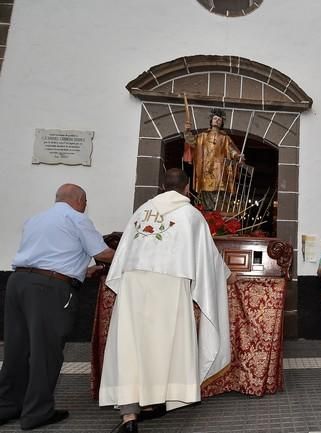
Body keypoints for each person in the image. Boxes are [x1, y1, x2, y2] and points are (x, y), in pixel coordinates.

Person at [99, 169, 234, 433]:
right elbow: (208, 259)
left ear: (163, 186)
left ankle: (130, 415)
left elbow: (122, 254)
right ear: (187, 188)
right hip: (170, 285)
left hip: (133, 285)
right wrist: (228, 277)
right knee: (165, 345)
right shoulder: (191, 215)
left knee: (131, 345)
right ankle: (155, 399)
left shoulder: (141, 213)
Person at [0, 184, 114, 430]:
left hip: (18, 283)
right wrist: (131, 254)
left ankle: (7, 406)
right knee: (46, 351)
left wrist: (82, 271)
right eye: (85, 202)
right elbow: (102, 253)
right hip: (49, 291)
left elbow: (48, 257)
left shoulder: (35, 219)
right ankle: (37, 412)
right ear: (80, 200)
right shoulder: (77, 218)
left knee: (16, 349)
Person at [184, 109, 242, 209]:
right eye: (215, 118)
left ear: (222, 123)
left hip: (220, 169)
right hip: (205, 168)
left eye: (219, 119)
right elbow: (191, 142)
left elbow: (231, 150)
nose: (217, 120)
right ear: (211, 121)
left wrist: (237, 155)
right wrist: (187, 131)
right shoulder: (202, 136)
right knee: (206, 190)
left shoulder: (225, 138)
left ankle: (218, 211)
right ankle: (207, 211)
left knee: (220, 191)